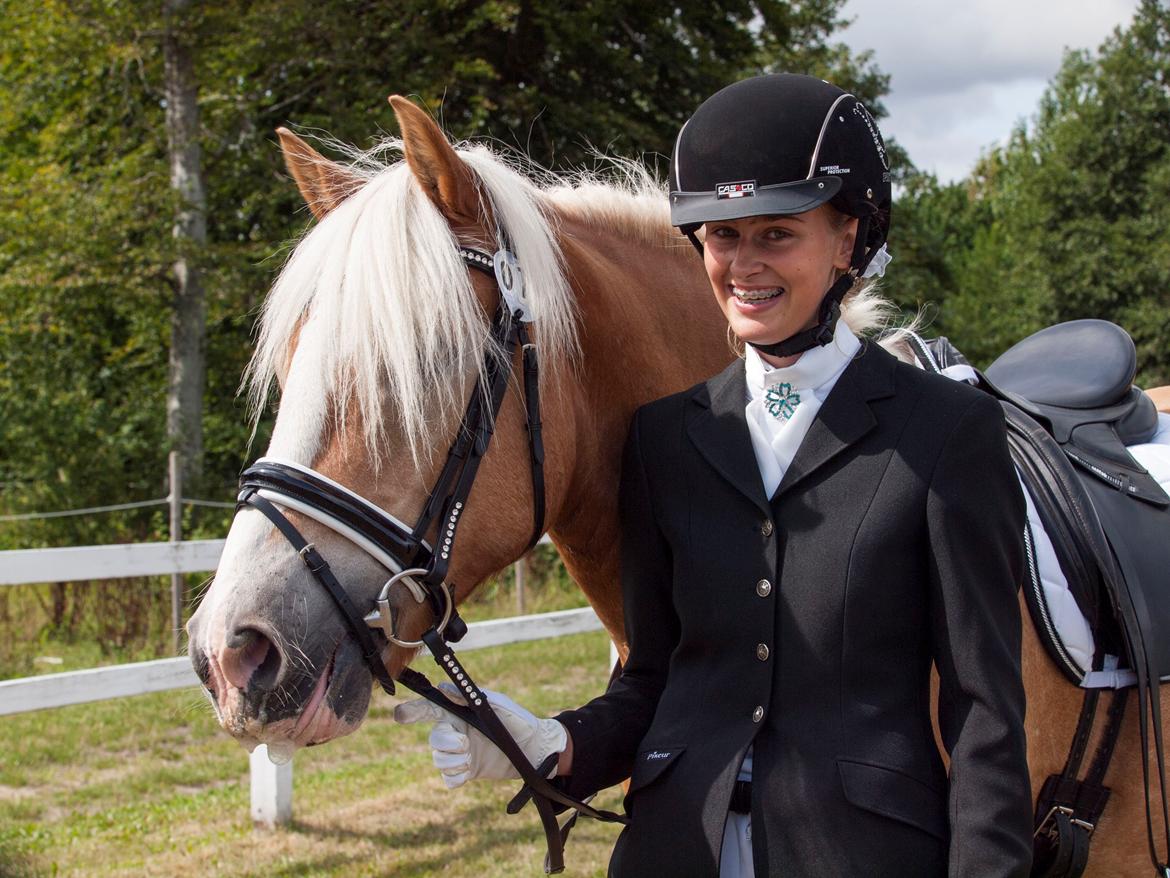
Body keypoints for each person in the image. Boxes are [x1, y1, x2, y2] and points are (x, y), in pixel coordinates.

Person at [395, 73, 1033, 877]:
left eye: (777, 234)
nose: (742, 265)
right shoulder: (665, 438)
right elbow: (657, 677)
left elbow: (986, 715)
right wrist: (558, 743)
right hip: (675, 851)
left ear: (847, 240)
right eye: (722, 236)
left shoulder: (946, 431)